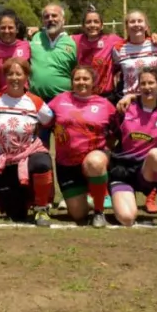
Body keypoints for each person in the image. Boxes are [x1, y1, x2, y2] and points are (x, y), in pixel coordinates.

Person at [109, 66, 157, 230]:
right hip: (122, 171)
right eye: (143, 83)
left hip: (145, 172)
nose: (147, 87)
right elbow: (110, 139)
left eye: (151, 83)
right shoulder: (125, 108)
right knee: (127, 219)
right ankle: (120, 196)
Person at [47, 66, 115, 228]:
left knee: (95, 162)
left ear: (93, 82)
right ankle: (92, 195)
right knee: (78, 214)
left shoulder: (105, 105)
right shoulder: (59, 100)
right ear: (72, 82)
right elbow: (44, 119)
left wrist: (106, 152)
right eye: (77, 79)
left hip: (93, 159)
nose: (81, 82)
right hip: (67, 164)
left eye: (85, 79)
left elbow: (116, 131)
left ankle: (99, 211)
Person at [0, 58, 55, 226]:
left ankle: (42, 208)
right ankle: (27, 197)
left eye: (19, 74)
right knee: (16, 214)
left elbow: (49, 120)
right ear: (5, 77)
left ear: (26, 76)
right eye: (10, 74)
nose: (14, 78)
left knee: (41, 163)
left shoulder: (35, 101)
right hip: (7, 159)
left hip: (30, 153)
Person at [29, 4, 77, 104]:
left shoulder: (73, 42)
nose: (50, 19)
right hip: (35, 100)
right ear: (43, 21)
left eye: (54, 15)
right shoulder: (35, 37)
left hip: (63, 101)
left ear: (63, 20)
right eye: (46, 17)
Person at [71, 5, 123, 97]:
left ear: (102, 25)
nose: (92, 25)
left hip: (106, 95)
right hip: (83, 94)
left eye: (96, 22)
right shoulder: (76, 40)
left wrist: (149, 37)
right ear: (83, 26)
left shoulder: (111, 40)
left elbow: (132, 42)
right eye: (88, 22)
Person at [0, 9, 30, 95]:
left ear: (17, 29)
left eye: (10, 27)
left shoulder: (25, 46)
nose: (6, 31)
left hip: (19, 95)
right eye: (3, 28)